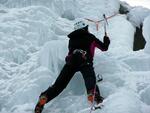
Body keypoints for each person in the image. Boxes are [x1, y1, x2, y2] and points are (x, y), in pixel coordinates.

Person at [34, 20, 110, 113]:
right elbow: (104, 47)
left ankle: (45, 97)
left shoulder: (72, 39)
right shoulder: (90, 37)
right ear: (85, 28)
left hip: (71, 62)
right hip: (85, 61)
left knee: (59, 85)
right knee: (89, 77)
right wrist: (106, 40)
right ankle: (93, 94)